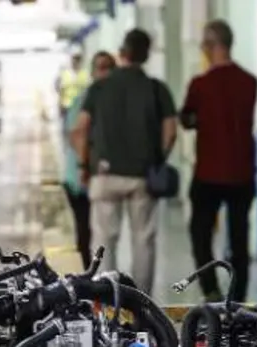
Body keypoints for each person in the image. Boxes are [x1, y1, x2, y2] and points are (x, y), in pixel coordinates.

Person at [70, 29, 177, 294]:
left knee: (104, 241)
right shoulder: (156, 89)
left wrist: (84, 164)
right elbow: (171, 131)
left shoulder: (99, 87)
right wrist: (159, 159)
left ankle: (108, 299)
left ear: (122, 53)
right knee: (144, 240)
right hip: (142, 177)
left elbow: (79, 129)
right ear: (146, 55)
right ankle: (141, 301)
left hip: (104, 175)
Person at [180, 19, 257, 303]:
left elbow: (186, 118)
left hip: (209, 173)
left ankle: (211, 291)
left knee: (200, 234)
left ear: (212, 46)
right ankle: (237, 297)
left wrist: (198, 119)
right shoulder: (250, 82)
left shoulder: (200, 84)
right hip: (242, 174)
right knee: (239, 238)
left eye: (204, 44)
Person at [61, 51, 116, 267]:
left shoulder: (107, 98)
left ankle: (93, 273)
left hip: (94, 174)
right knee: (87, 231)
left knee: (99, 232)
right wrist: (84, 167)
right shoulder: (85, 99)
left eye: (109, 68)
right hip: (80, 178)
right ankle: (89, 275)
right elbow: (76, 135)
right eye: (101, 68)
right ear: (92, 72)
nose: (106, 73)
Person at [56, 50, 90, 123]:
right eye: (74, 59)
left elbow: (87, 91)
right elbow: (61, 91)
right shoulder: (65, 74)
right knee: (67, 126)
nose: (75, 62)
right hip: (67, 105)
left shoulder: (85, 74)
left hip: (80, 106)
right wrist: (60, 105)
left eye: (77, 59)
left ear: (80, 61)